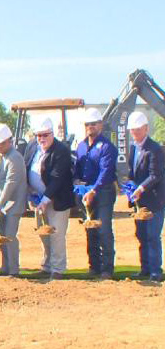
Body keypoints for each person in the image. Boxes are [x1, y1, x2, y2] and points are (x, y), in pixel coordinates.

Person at [24, 118, 75, 280]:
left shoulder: (61, 150)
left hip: (57, 200)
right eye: (38, 135)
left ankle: (58, 269)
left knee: (56, 234)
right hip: (38, 200)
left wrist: (46, 200)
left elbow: (57, 178)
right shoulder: (32, 146)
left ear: (52, 134)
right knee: (43, 233)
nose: (41, 139)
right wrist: (29, 193)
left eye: (45, 135)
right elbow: (27, 167)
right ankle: (46, 266)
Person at [74, 108, 118, 279]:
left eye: (93, 124)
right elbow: (78, 168)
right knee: (90, 229)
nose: (90, 127)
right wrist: (77, 182)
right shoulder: (81, 145)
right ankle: (94, 267)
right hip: (86, 193)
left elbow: (105, 172)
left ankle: (107, 269)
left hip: (103, 192)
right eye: (87, 124)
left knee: (103, 229)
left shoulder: (107, 147)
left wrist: (94, 190)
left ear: (100, 124)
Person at [126, 111, 165, 282]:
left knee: (152, 235)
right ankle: (145, 268)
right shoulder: (133, 148)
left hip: (154, 199)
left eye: (137, 130)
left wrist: (141, 188)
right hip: (139, 200)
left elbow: (155, 175)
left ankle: (156, 271)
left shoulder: (155, 149)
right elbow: (132, 172)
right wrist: (130, 186)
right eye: (132, 130)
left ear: (146, 129)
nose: (134, 133)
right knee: (141, 234)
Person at [0, 124, 27, 276]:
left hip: (13, 204)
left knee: (10, 236)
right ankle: (5, 267)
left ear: (9, 141)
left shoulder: (15, 158)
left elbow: (10, 184)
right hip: (0, 204)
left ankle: (13, 269)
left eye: (1, 143)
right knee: (2, 237)